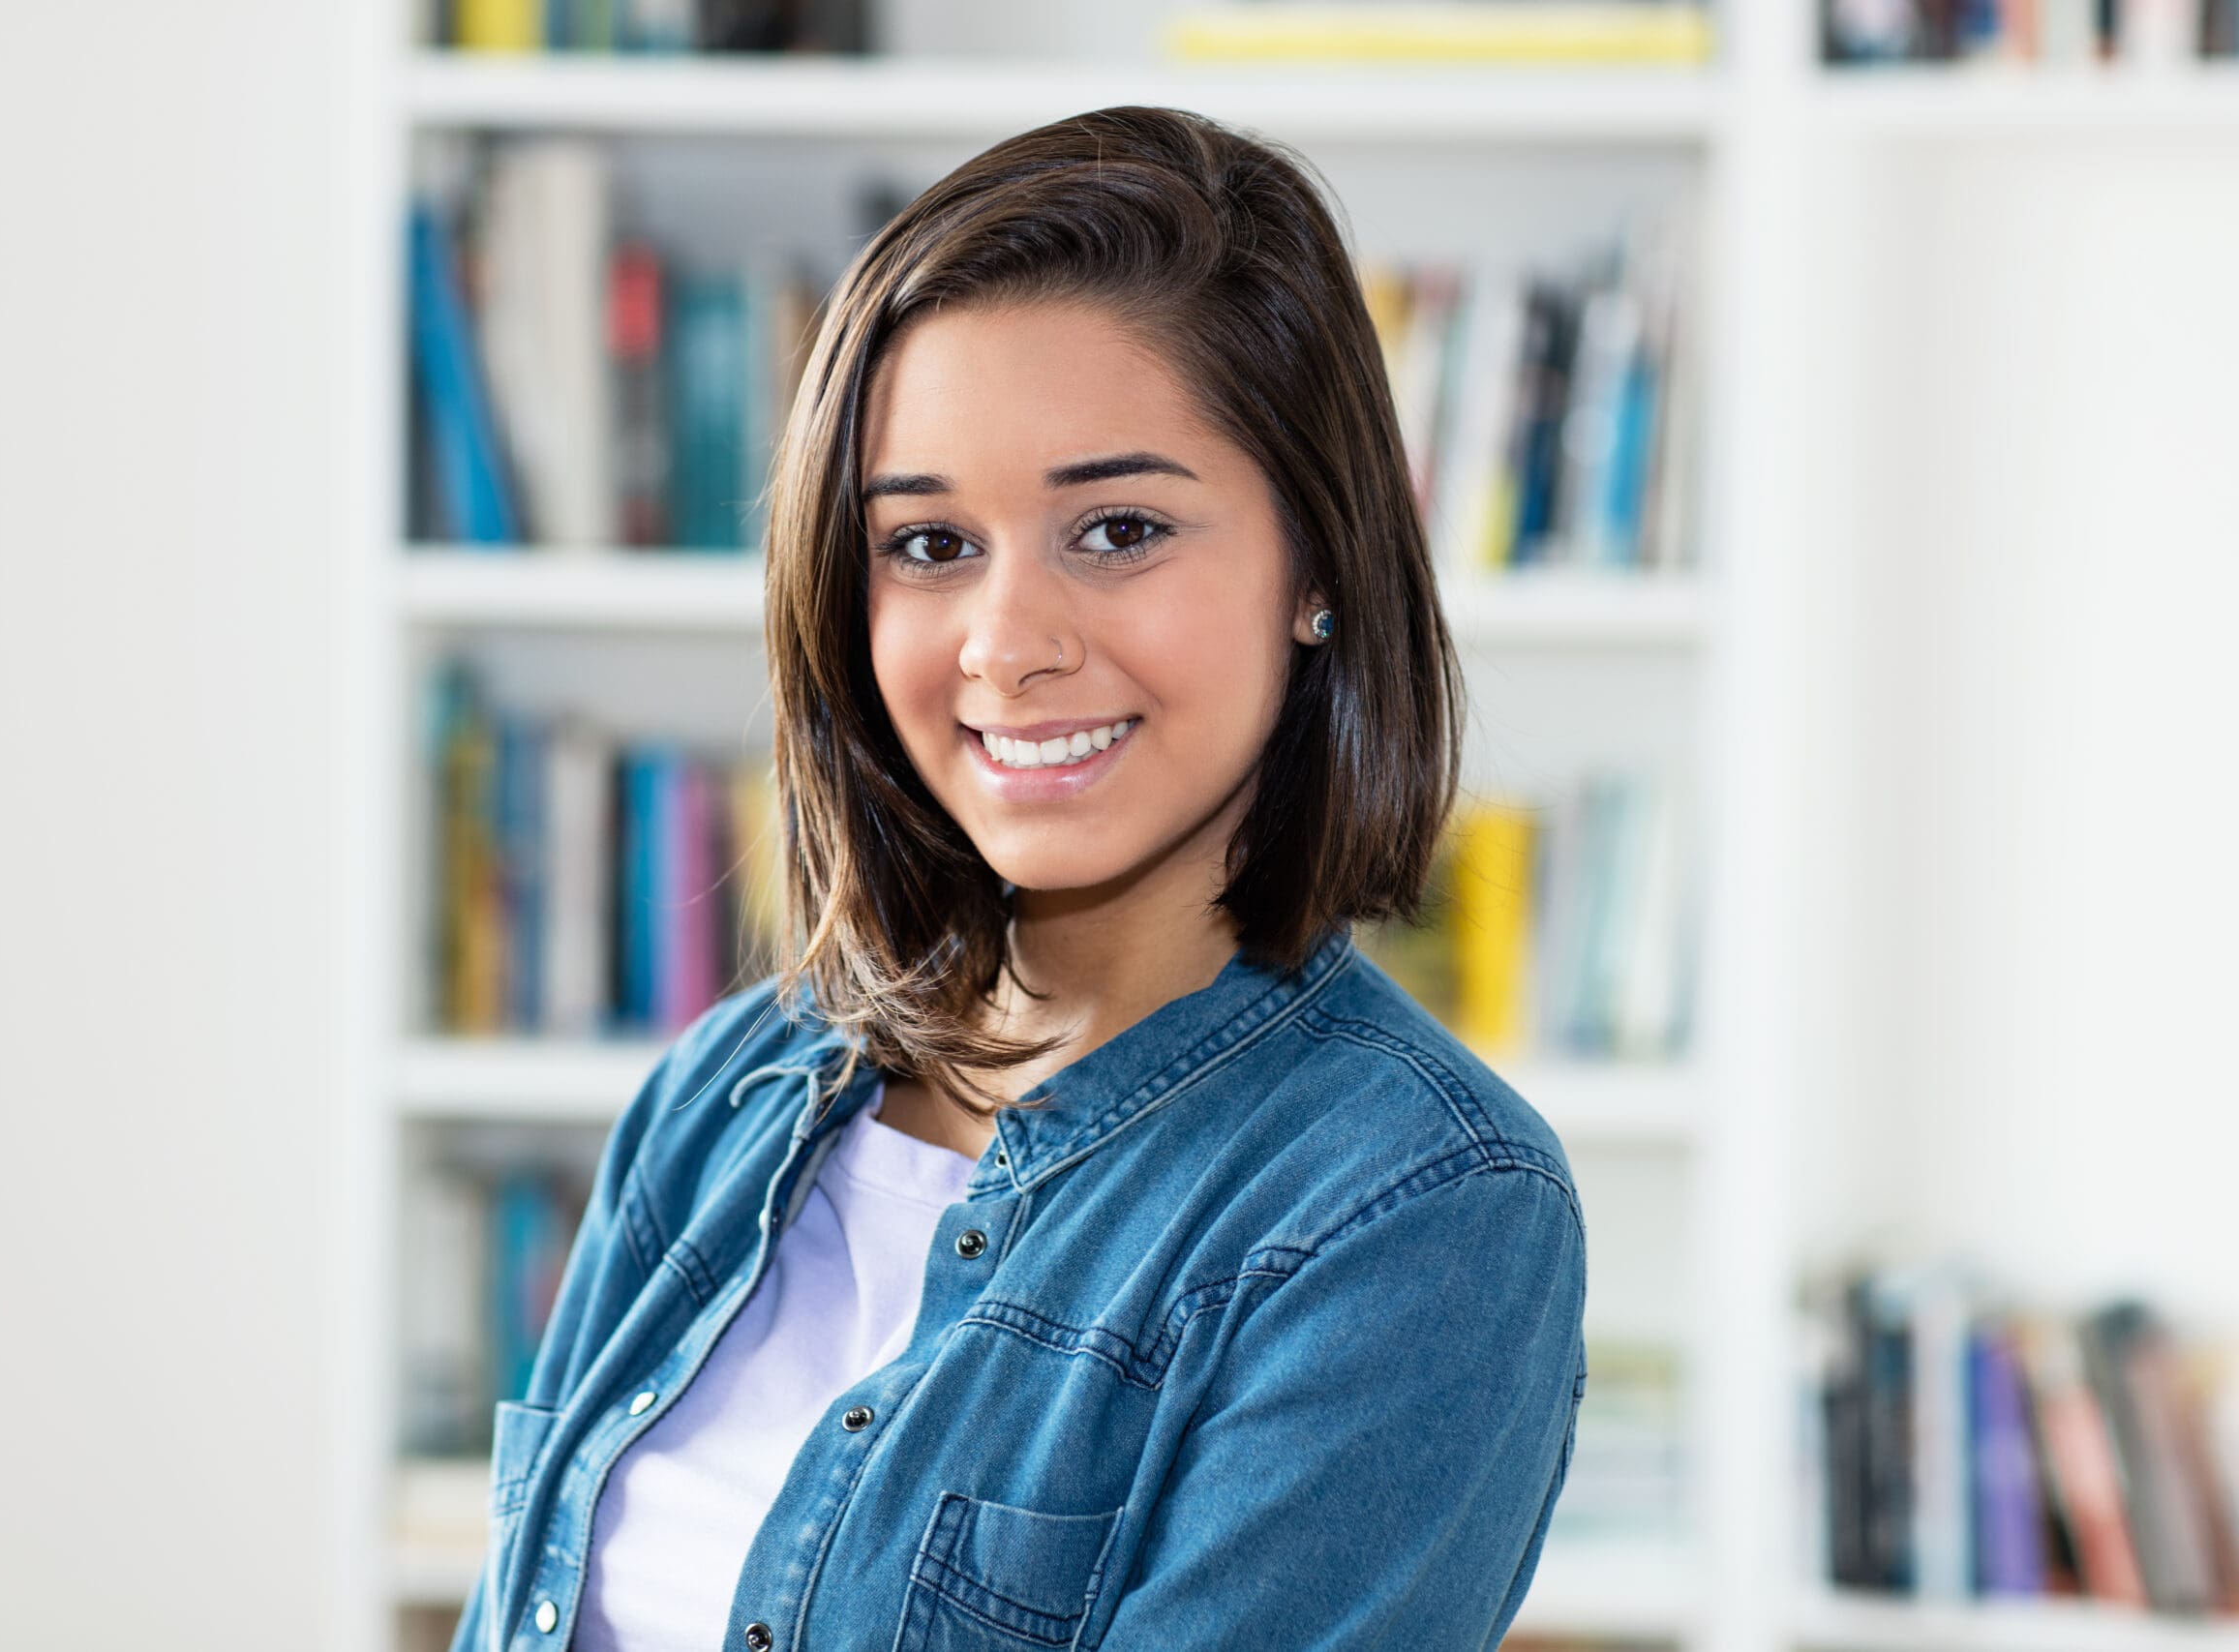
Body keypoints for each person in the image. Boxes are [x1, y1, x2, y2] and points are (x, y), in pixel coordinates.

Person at [448, 103, 1588, 1652]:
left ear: (1317, 565)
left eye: (1117, 529)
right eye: (929, 545)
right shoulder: (723, 1094)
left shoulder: (1422, 1212)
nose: (1006, 645)